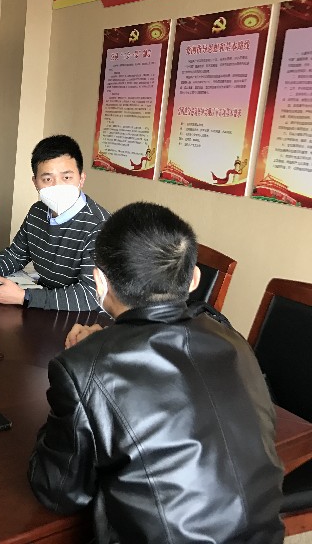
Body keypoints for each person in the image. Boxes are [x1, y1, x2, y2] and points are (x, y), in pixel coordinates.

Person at [28, 202, 284, 544]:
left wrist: (86, 361)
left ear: (99, 281)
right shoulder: (233, 340)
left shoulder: (82, 368)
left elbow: (58, 492)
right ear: (194, 278)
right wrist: (100, 349)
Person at [0, 135, 109, 310]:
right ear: (35, 183)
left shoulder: (100, 227)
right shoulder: (37, 211)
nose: (57, 186)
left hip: (83, 317)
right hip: (45, 304)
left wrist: (25, 297)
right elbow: (17, 255)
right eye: (47, 179)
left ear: (81, 178)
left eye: (67, 177)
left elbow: (91, 295)